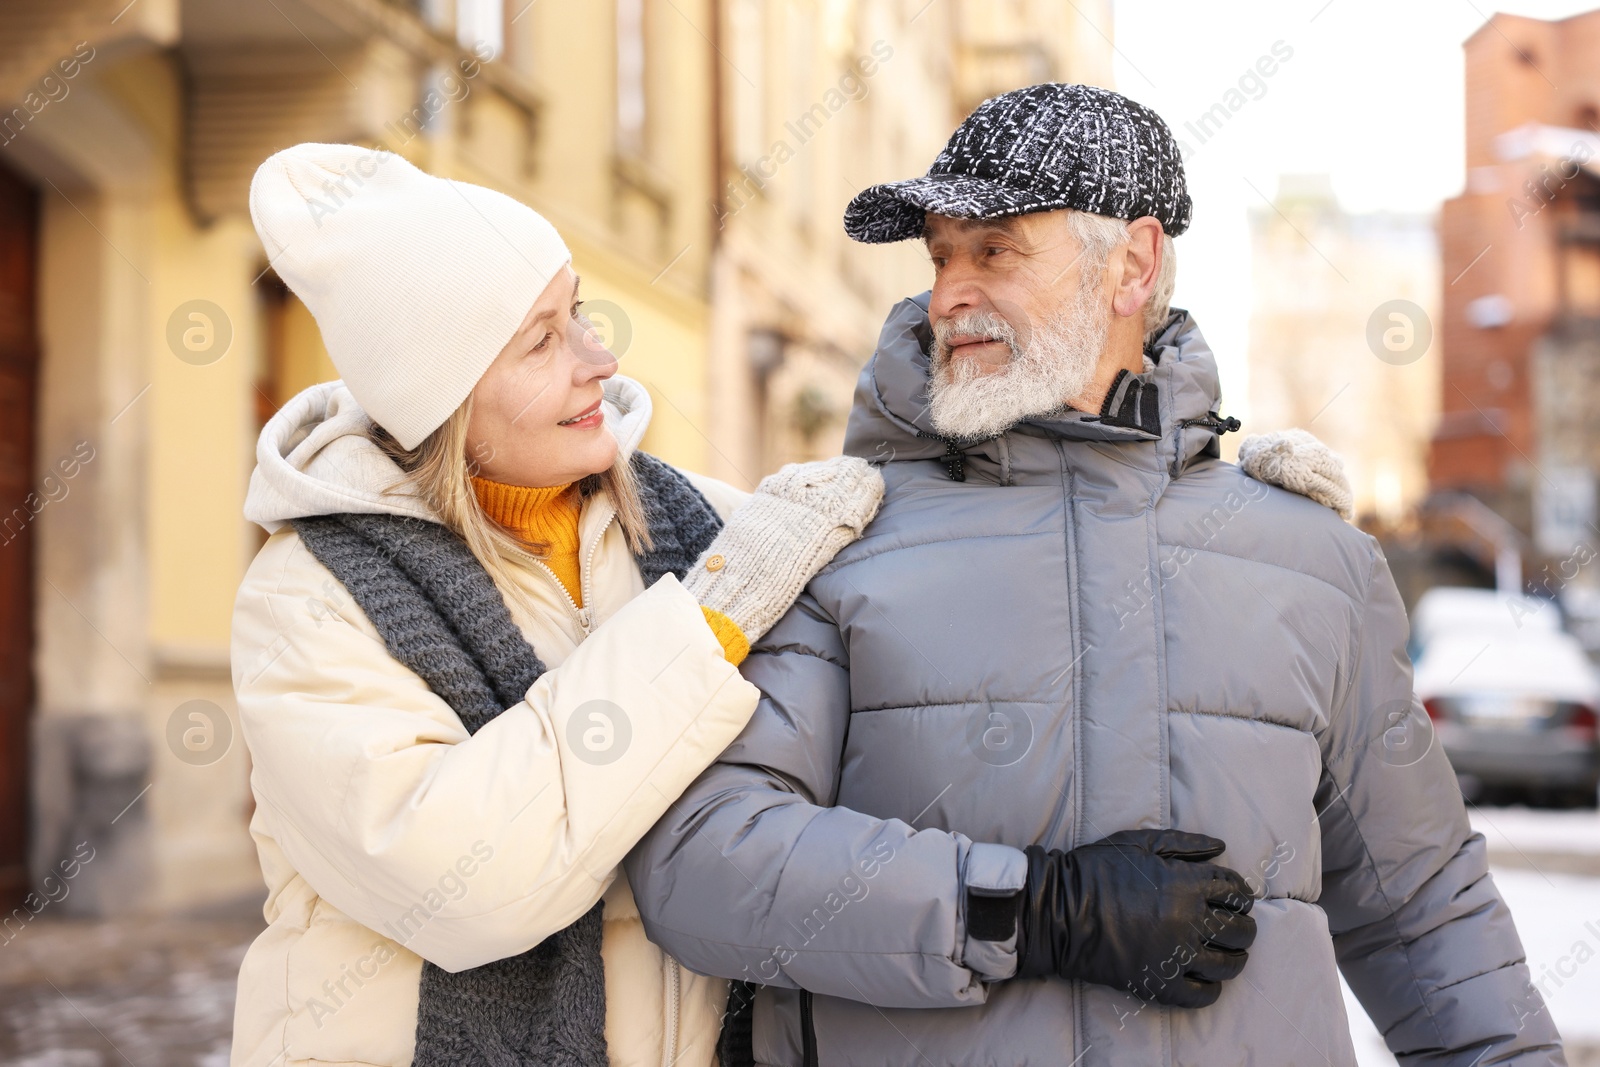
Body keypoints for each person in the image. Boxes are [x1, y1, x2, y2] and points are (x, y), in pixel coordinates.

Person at [627, 84, 1563, 1066]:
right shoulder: (841, 538)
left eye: (994, 249)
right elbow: (702, 863)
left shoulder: (1311, 558)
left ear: (1132, 262)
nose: (947, 293)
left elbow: (1422, 910)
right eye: (940, 254)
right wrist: (1031, 908)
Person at [227, 143, 883, 1067]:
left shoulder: (701, 525)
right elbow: (462, 884)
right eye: (541, 340)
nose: (598, 358)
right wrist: (704, 631)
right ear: (443, 402)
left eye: (575, 313)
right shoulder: (311, 599)